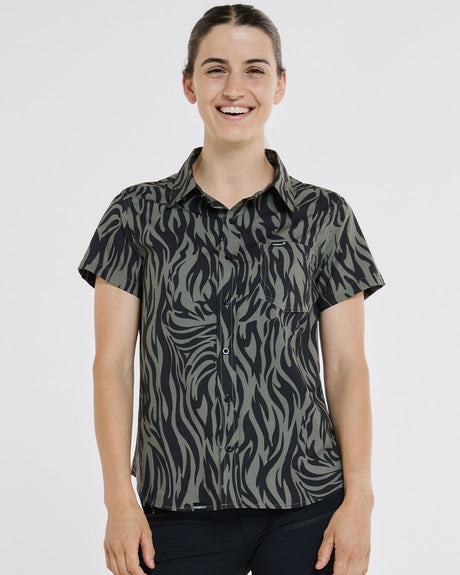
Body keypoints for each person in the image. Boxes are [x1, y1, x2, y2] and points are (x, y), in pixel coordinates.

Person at [78, 4, 385, 575]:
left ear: (280, 85)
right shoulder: (135, 215)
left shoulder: (325, 217)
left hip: (307, 503)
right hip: (176, 506)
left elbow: (347, 367)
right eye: (216, 69)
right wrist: (118, 498)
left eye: (255, 70)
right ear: (189, 85)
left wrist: (360, 500)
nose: (235, 88)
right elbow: (112, 364)